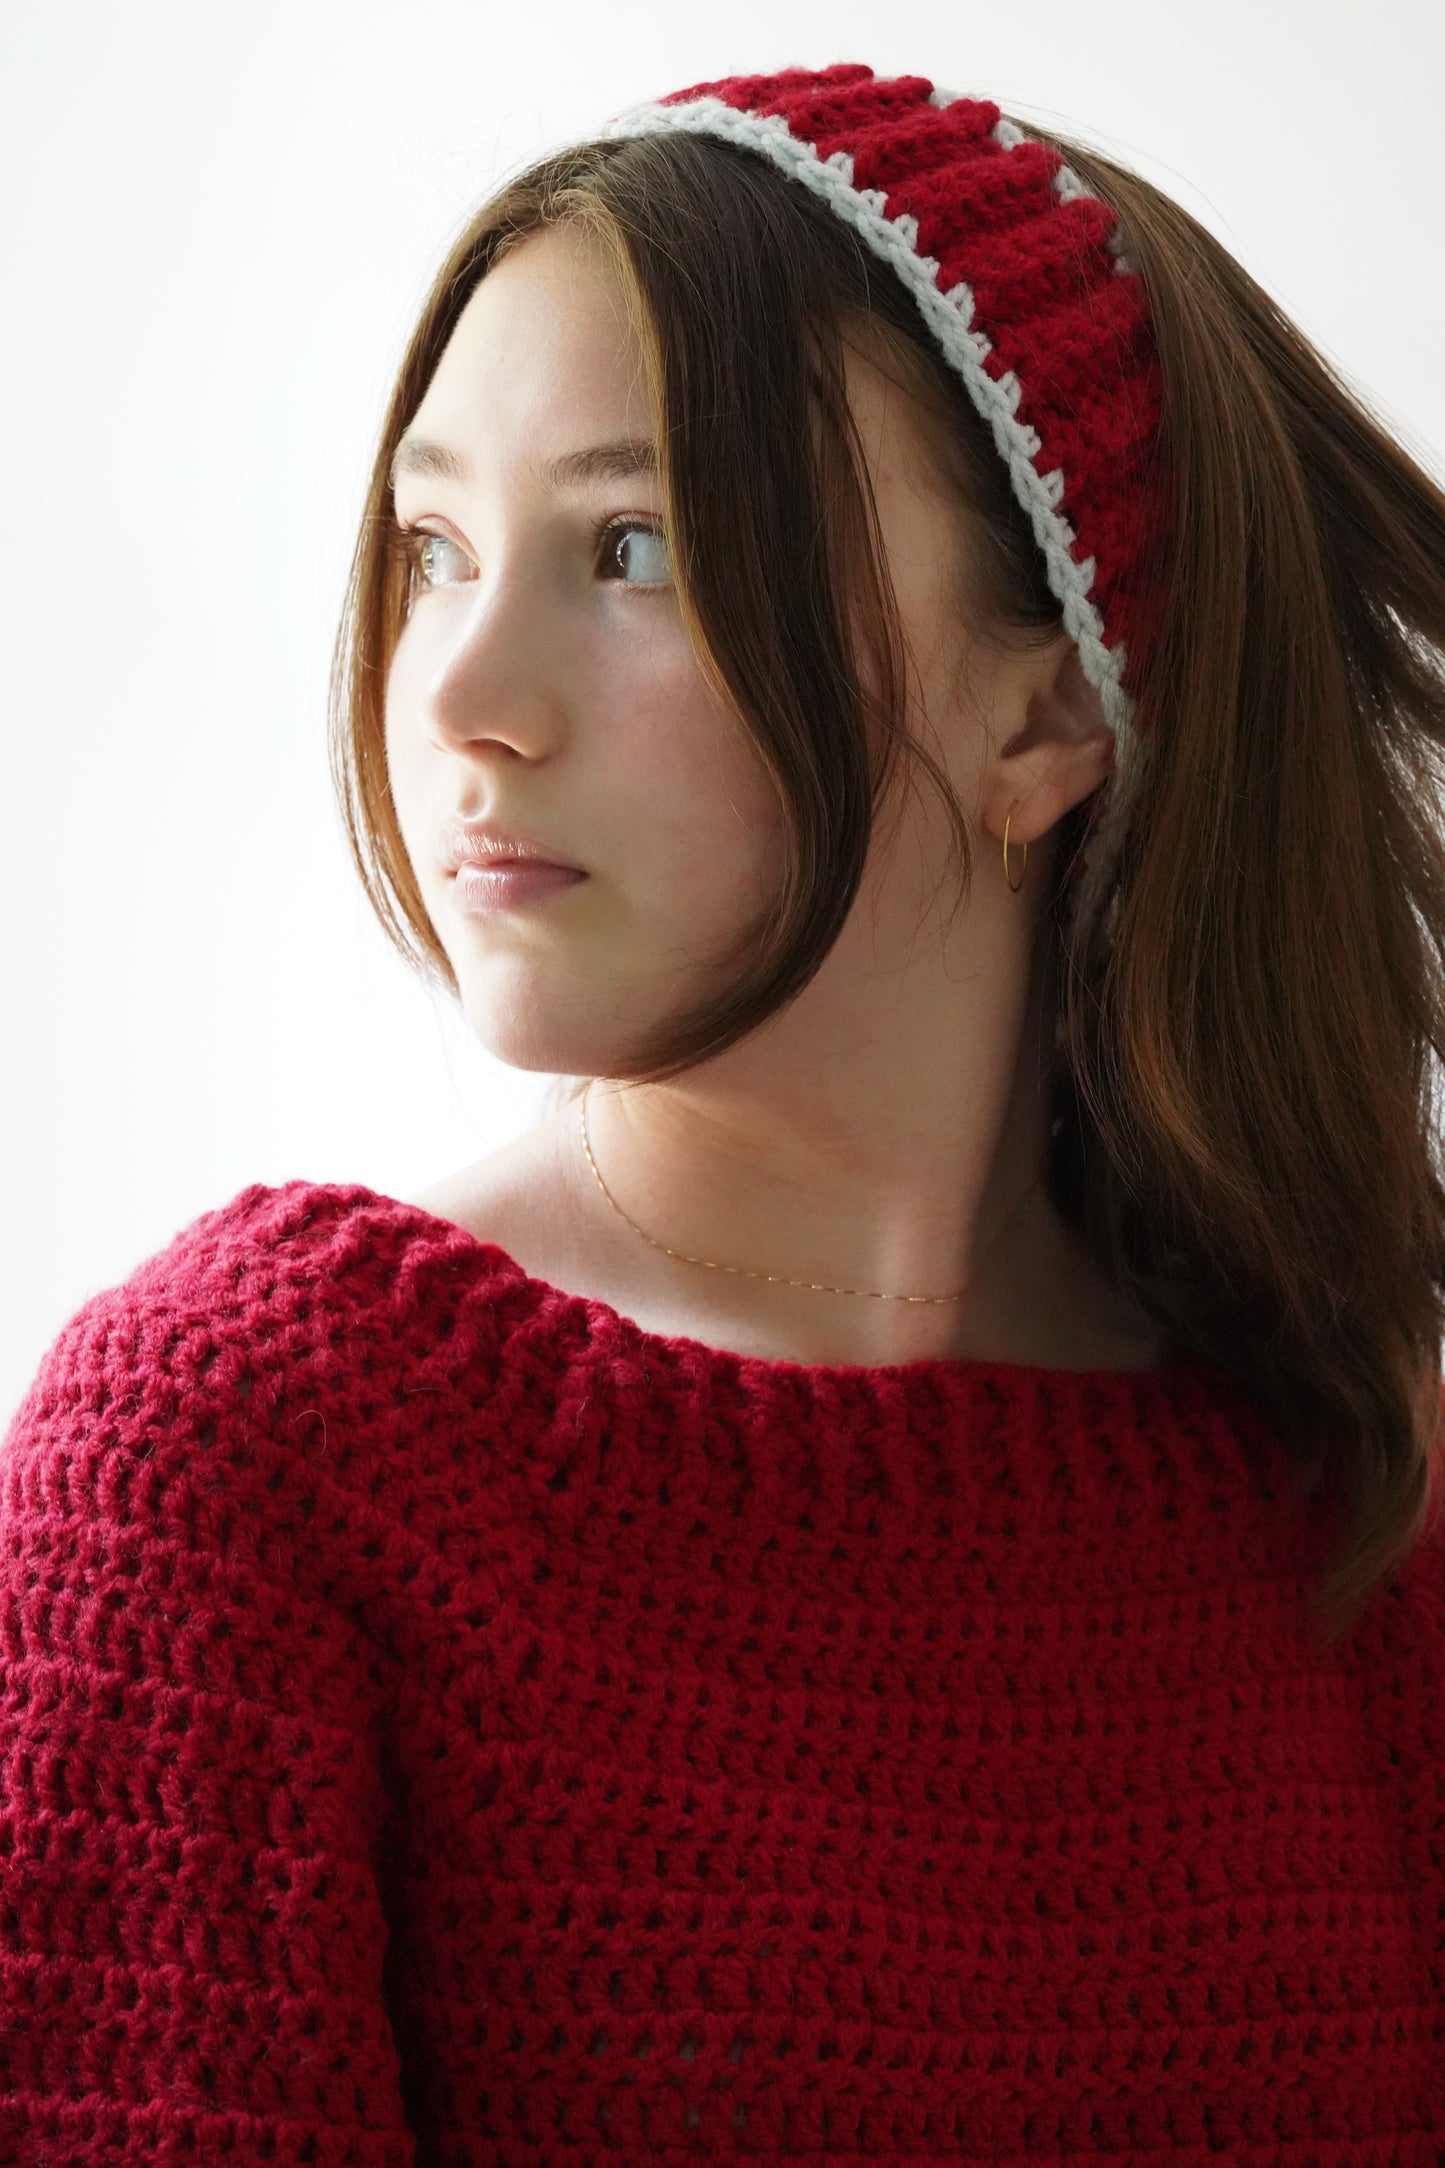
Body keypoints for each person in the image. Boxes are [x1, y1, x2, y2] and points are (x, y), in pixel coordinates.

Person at [4, 59, 1445, 2160]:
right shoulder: (240, 1469)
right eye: (431, 543)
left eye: (637, 543)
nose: (464, 693)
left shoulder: (1346, 1511)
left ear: (1044, 701)